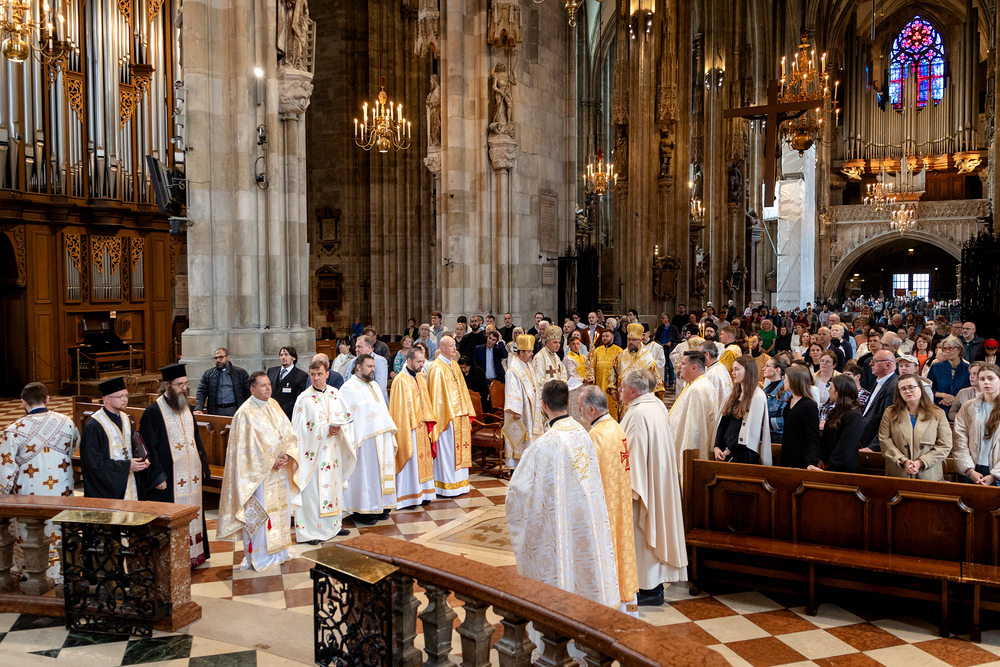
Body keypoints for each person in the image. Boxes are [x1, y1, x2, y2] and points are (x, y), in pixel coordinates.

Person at [506, 380, 620, 608]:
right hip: (584, 519)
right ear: (569, 402)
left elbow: (518, 493)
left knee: (562, 563)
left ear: (543, 405)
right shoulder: (583, 433)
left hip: (560, 521)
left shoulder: (542, 445)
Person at [217, 372, 300, 572]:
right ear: (252, 389)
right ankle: (260, 556)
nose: (268, 388)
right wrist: (271, 461)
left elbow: (289, 432)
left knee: (279, 512)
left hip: (279, 472)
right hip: (258, 477)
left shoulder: (274, 404)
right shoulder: (244, 414)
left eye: (269, 384)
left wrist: (288, 454)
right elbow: (245, 451)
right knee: (261, 515)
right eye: (263, 385)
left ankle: (280, 552)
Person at [619, 369, 688, 606]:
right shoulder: (656, 405)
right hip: (657, 479)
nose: (619, 390)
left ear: (634, 391)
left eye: (622, 387)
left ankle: (647, 588)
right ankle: (653, 586)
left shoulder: (638, 414)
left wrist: (626, 489)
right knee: (653, 532)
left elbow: (633, 457)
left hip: (644, 486)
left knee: (642, 535)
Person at [1, 382, 79, 586]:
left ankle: (31, 572)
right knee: (59, 529)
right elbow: (73, 448)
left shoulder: (14, 430)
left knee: (31, 530)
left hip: (29, 492)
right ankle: (61, 572)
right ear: (48, 399)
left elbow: (5, 469)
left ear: (23, 402)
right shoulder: (66, 422)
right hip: (61, 489)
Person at [140, 364, 211, 567]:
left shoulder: (186, 407)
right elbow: (148, 448)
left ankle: (195, 555)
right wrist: (157, 476)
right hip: (169, 479)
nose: (183, 389)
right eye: (179, 385)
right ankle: (174, 560)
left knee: (193, 513)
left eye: (185, 384)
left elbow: (196, 439)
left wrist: (203, 466)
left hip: (191, 476)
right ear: (167, 385)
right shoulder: (153, 412)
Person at [579, 386, 639, 614]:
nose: (579, 412)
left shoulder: (596, 436)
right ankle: (626, 608)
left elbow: (587, 478)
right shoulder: (615, 427)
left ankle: (609, 609)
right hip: (619, 503)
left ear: (591, 410)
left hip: (605, 508)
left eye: (581, 408)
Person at [291, 360, 357, 544]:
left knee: (333, 489)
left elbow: (347, 421)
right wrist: (324, 429)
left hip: (333, 452)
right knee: (313, 493)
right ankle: (310, 532)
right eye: (312, 375)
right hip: (313, 455)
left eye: (319, 374)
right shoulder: (304, 399)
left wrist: (340, 428)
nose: (316, 378)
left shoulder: (336, 394)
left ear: (327, 374)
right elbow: (299, 430)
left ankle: (334, 527)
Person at [340, 354, 398, 524]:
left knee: (381, 473)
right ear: (358, 367)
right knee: (366, 474)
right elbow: (348, 416)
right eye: (369, 366)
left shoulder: (374, 385)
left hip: (382, 436)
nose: (373, 369)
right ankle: (364, 511)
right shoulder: (348, 388)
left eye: (373, 366)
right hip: (364, 440)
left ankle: (382, 506)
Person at [81, 377, 149, 500]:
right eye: (120, 397)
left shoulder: (125, 418)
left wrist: (142, 460)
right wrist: (126, 466)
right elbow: (93, 464)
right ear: (107, 399)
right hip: (108, 491)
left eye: (126, 396)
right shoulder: (95, 425)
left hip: (129, 483)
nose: (125, 400)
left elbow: (131, 448)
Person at [879, 373, 952, 480]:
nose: (907, 391)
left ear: (921, 388)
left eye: (911, 387)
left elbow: (945, 445)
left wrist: (921, 462)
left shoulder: (937, 413)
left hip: (928, 473)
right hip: (899, 471)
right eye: (903, 389)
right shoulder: (890, 413)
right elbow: (884, 440)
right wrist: (903, 461)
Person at [428, 336, 475, 497]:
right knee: (448, 453)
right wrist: (444, 417)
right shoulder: (436, 368)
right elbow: (436, 398)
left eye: (455, 345)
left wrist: (466, 410)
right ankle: (446, 486)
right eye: (452, 346)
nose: (455, 348)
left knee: (460, 450)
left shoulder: (454, 365)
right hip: (446, 419)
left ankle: (461, 484)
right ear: (442, 348)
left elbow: (463, 390)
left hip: (460, 416)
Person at [390, 347, 437, 509]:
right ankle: (409, 496)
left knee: (423, 461)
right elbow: (398, 410)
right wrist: (407, 426)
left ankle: (424, 493)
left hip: (422, 426)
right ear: (409, 361)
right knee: (411, 462)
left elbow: (426, 401)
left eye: (422, 361)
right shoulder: (400, 380)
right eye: (418, 362)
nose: (421, 365)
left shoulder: (419, 378)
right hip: (409, 428)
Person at [712, 356, 772, 465]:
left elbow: (748, 430)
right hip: (725, 449)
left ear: (748, 371)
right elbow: (723, 423)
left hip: (743, 452)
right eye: (733, 369)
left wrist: (729, 449)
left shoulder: (757, 396)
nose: (733, 373)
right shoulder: (732, 394)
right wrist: (717, 446)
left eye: (737, 369)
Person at [669, 350, 719, 466]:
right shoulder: (698, 383)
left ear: (693, 368)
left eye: (683, 363)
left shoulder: (696, 389)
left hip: (689, 455)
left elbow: (693, 430)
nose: (679, 366)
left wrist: (686, 460)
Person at [953, 364, 1000, 486]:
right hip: (973, 467)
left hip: (996, 470)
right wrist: (969, 470)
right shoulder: (969, 406)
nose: (986, 382)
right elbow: (959, 439)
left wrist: (994, 475)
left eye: (991, 378)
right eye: (982, 379)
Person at [503, 334, 543, 469]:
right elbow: (512, 390)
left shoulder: (528, 365)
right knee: (519, 440)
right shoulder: (513, 370)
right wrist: (516, 410)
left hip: (530, 409)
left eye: (532, 351)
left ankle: (529, 464)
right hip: (520, 412)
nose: (532, 354)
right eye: (529, 351)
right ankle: (516, 467)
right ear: (521, 352)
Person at [609, 324, 664, 418]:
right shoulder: (620, 356)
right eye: (629, 339)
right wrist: (613, 390)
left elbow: (655, 378)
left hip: (642, 398)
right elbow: (613, 372)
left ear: (640, 340)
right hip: (624, 398)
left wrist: (655, 395)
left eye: (634, 340)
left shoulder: (648, 358)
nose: (631, 342)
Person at [811, 376, 863, 473]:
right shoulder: (836, 411)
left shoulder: (854, 415)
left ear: (838, 392)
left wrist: (829, 464)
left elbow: (846, 445)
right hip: (829, 465)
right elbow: (826, 440)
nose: (829, 391)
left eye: (831, 388)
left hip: (844, 469)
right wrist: (819, 459)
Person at [780, 365, 821, 469]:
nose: (783, 380)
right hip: (787, 454)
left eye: (785, 378)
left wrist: (811, 461)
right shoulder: (790, 401)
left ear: (794, 380)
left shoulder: (808, 406)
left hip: (801, 458)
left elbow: (813, 437)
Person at [859, 351, 899, 451]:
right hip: (866, 441)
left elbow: (889, 421)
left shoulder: (893, 387)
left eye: (875, 361)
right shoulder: (880, 381)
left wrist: (873, 447)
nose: (870, 363)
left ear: (888, 364)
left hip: (875, 446)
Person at [194, 347, 250, 416]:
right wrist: (198, 408)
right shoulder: (208, 374)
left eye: (220, 357)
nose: (218, 360)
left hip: (234, 409)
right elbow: (201, 392)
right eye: (216, 358)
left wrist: (249, 409)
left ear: (228, 357)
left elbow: (248, 392)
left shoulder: (240, 373)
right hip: (215, 410)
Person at [587, 329, 624, 419]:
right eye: (603, 336)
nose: (605, 338)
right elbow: (592, 367)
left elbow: (620, 370)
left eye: (607, 336)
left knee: (612, 410)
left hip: (612, 388)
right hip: (599, 385)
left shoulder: (619, 350)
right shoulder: (597, 350)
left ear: (612, 337)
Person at [929, 335, 971, 414]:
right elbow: (928, 389)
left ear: (959, 349)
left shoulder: (968, 368)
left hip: (962, 410)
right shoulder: (936, 367)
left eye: (951, 348)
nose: (947, 351)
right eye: (945, 348)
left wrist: (955, 401)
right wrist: (944, 396)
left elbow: (972, 390)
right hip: (940, 408)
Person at [266, 346, 309, 419]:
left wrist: (282, 410)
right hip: (271, 412)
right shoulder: (271, 371)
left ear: (293, 358)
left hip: (288, 414)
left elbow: (299, 398)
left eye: (286, 355)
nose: (283, 357)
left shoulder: (301, 376)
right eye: (281, 355)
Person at [347, 336, 389, 402]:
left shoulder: (380, 361)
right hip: (354, 399)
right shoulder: (353, 361)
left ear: (369, 348)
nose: (356, 350)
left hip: (374, 400)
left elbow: (380, 386)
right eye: (356, 347)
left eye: (359, 347)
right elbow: (347, 380)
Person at [763, 357, 790, 443]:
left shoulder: (785, 392)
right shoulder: (766, 390)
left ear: (777, 370)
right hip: (765, 433)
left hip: (777, 435)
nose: (763, 369)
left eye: (767, 366)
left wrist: (763, 422)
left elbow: (785, 419)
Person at [654, 312, 680, 387]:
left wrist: (671, 342)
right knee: (663, 366)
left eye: (663, 318)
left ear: (667, 319)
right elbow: (656, 339)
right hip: (662, 348)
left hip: (670, 348)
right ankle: (664, 381)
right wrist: (659, 344)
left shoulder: (674, 328)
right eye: (661, 318)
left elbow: (678, 339)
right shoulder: (660, 328)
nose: (661, 319)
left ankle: (671, 382)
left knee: (671, 365)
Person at [814, 350, 840, 424]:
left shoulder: (840, 379)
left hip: (833, 415)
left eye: (827, 362)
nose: (824, 363)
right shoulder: (812, 377)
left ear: (834, 365)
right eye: (822, 361)